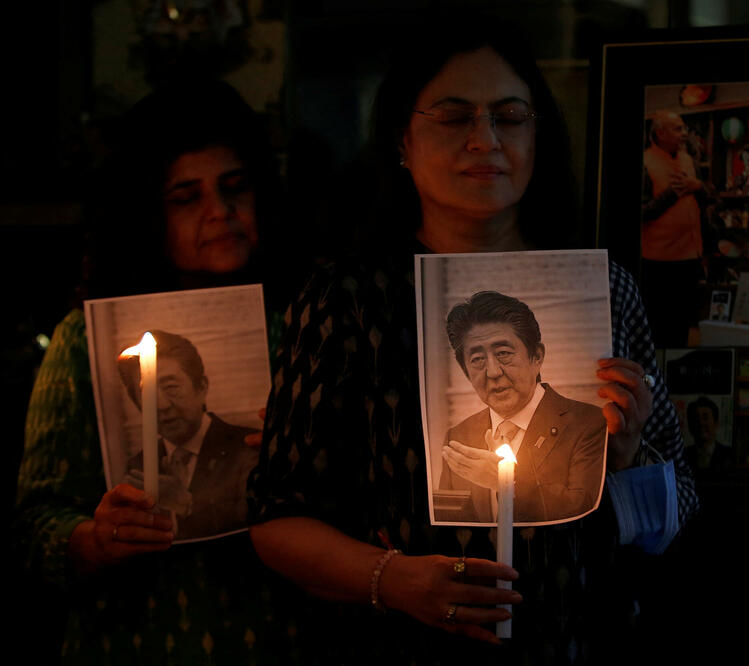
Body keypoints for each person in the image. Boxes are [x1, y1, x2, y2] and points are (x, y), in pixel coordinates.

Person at [248, 16, 698, 664]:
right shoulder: (345, 300)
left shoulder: (602, 291)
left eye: (510, 117)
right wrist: (393, 580)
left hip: (575, 638)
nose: (485, 140)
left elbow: (675, 514)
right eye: (454, 117)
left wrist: (626, 460)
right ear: (402, 140)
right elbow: (276, 517)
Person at [14, 79, 296, 664]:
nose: (220, 212)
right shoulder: (85, 342)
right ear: (147, 216)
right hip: (139, 635)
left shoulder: (303, 322)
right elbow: (36, 522)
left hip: (290, 633)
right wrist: (96, 538)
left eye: (235, 188)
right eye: (186, 198)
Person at [437, 291, 606, 523]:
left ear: (536, 357)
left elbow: (584, 513)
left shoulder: (588, 423)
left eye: (503, 354)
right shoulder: (458, 438)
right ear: (466, 372)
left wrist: (506, 482)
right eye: (477, 360)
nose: (493, 372)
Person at [117, 329, 259, 540]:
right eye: (147, 394)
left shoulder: (249, 449)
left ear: (201, 388)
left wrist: (187, 504)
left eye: (171, 387)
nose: (162, 405)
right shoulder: (137, 468)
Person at [640, 109, 708, 348]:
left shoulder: (688, 159)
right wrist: (673, 193)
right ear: (660, 133)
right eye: (678, 129)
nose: (684, 133)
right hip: (659, 262)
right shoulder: (645, 162)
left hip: (690, 257)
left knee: (683, 325)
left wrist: (697, 186)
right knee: (659, 327)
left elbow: (708, 199)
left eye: (684, 128)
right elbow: (642, 213)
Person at [683, 396, 732, 471]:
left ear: (716, 423)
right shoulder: (683, 455)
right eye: (696, 418)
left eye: (705, 418)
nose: (701, 423)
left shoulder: (728, 454)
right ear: (690, 426)